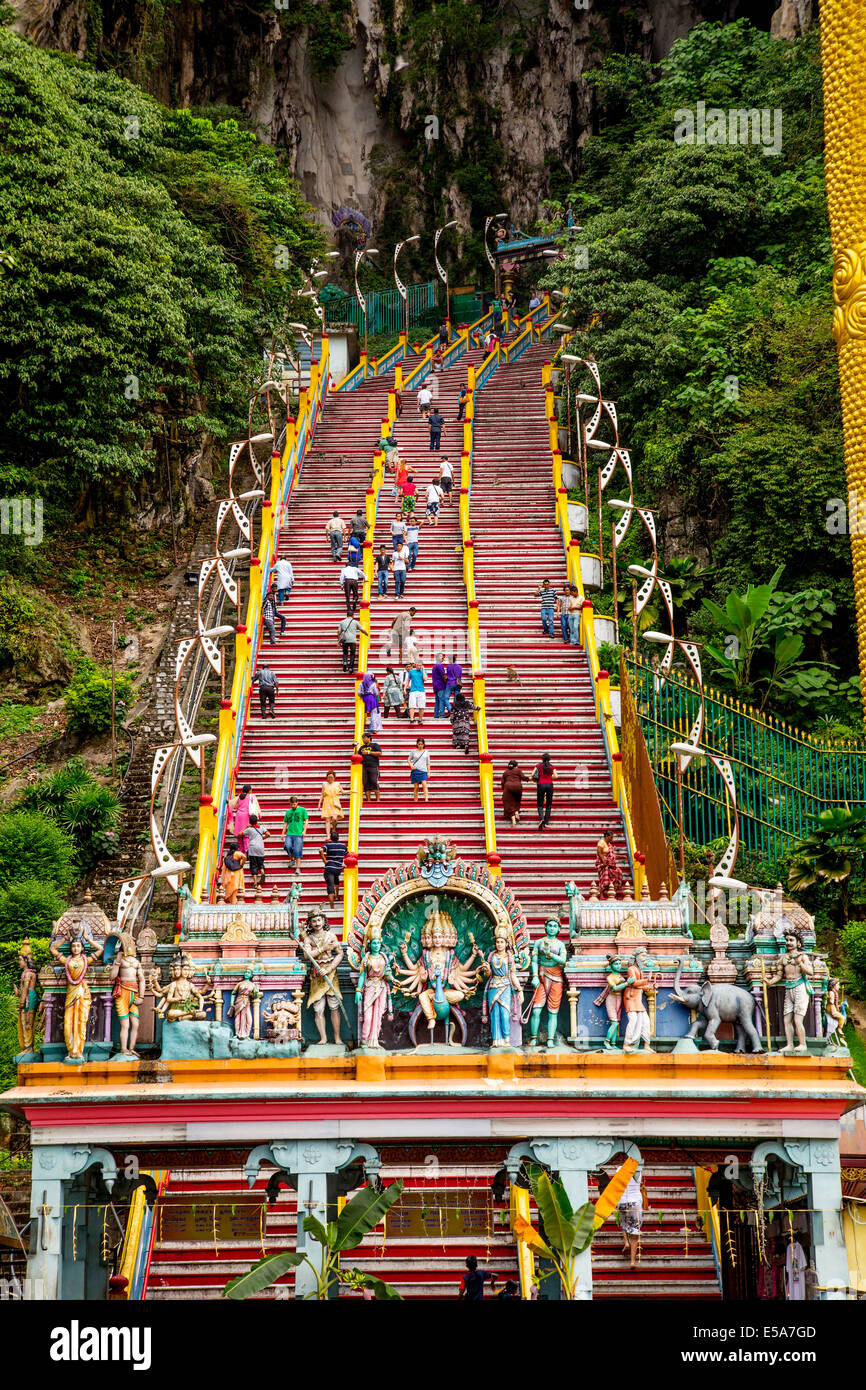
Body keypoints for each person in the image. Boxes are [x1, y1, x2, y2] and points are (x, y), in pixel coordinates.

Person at [622, 948, 655, 1054]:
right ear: (636, 957)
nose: (644, 958)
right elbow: (634, 983)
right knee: (633, 1021)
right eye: (642, 956)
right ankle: (626, 1044)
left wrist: (650, 986)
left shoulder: (640, 970)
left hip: (638, 998)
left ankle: (646, 1044)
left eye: (645, 956)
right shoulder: (631, 969)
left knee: (646, 1021)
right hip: (630, 998)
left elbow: (641, 986)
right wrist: (647, 980)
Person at [617, 1167, 644, 1269]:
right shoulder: (638, 1170)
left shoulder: (619, 1169)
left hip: (622, 1201)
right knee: (634, 1232)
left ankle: (626, 1242)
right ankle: (632, 1261)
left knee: (623, 1222)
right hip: (636, 1201)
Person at [320, 827, 347, 907]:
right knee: (336, 880)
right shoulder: (343, 846)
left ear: (331, 838)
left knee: (330, 886)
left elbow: (320, 850)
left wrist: (324, 860)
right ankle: (337, 896)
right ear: (338, 838)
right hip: (338, 868)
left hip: (330, 867)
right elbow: (347, 854)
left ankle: (332, 906)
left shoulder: (328, 845)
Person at [282, 795, 308, 874]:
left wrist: (304, 831)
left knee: (297, 850)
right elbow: (285, 823)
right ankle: (292, 859)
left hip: (298, 834)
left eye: (294, 804)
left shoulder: (302, 810)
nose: (293, 806)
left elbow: (306, 820)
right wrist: (283, 833)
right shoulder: (288, 811)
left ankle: (298, 868)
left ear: (297, 803)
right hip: (289, 833)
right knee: (287, 846)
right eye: (291, 804)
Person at [229, 783, 259, 850]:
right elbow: (256, 806)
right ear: (249, 790)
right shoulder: (252, 796)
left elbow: (235, 806)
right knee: (246, 835)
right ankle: (246, 851)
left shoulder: (239, 796)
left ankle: (242, 851)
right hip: (246, 816)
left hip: (239, 816)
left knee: (239, 835)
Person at [596, 829, 625, 897]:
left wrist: (622, 856)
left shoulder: (609, 845)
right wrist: (604, 861)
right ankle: (602, 894)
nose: (612, 839)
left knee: (618, 872)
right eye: (611, 837)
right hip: (603, 864)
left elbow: (612, 855)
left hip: (611, 865)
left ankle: (614, 891)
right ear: (606, 836)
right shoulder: (601, 842)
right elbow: (599, 852)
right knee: (604, 878)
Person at [500, 759, 529, 825]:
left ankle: (513, 820)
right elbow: (523, 777)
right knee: (517, 800)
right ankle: (516, 812)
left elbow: (502, 782)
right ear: (516, 766)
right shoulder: (518, 770)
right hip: (518, 787)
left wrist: (503, 789)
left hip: (508, 787)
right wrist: (529, 779)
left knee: (508, 802)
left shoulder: (505, 772)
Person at [533, 753, 557, 830]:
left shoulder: (538, 766)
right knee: (549, 804)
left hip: (540, 784)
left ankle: (541, 819)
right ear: (549, 759)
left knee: (540, 803)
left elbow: (533, 774)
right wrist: (549, 777)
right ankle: (546, 823)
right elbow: (556, 776)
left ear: (542, 759)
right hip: (550, 785)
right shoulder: (552, 766)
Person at [449, 687, 477, 754]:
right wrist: (479, 708)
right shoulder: (467, 703)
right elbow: (474, 707)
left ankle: (458, 745)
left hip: (457, 720)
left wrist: (451, 719)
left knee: (457, 732)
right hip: (465, 720)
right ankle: (466, 744)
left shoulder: (455, 704)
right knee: (465, 733)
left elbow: (452, 713)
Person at [245, 814, 268, 892]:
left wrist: (246, 827)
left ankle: (255, 883)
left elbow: (239, 834)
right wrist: (262, 838)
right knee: (260, 864)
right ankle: (262, 872)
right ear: (257, 821)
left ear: (250, 822)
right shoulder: (261, 828)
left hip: (252, 849)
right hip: (260, 848)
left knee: (253, 866)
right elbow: (268, 834)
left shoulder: (249, 829)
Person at [318, 769, 344, 835]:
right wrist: (319, 803)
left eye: (331, 777)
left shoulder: (337, 784)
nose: (330, 778)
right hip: (327, 803)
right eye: (328, 777)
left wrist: (351, 791)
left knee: (334, 818)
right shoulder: (324, 784)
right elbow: (322, 794)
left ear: (334, 778)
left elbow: (343, 791)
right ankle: (328, 835)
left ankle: (334, 829)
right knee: (327, 819)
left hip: (335, 803)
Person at [221, 838, 246, 904]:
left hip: (229, 875)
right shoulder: (237, 853)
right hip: (236, 874)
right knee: (236, 890)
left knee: (231, 891)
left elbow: (222, 864)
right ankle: (235, 904)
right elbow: (244, 857)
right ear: (237, 848)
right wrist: (242, 864)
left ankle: (232, 902)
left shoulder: (227, 855)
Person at [360, 730, 382, 802]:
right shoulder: (361, 747)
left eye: (365, 738)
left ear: (369, 738)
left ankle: (378, 800)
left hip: (373, 766)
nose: (364, 739)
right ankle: (368, 800)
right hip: (364, 767)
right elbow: (357, 756)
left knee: (374, 782)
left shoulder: (375, 745)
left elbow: (379, 753)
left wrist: (369, 752)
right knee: (366, 784)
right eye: (363, 738)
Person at [407, 736, 430, 802]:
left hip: (423, 770)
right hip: (415, 770)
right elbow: (408, 760)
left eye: (422, 744)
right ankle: (415, 800)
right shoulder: (413, 751)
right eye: (419, 744)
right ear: (417, 744)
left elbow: (428, 763)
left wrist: (429, 772)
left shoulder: (426, 752)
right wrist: (411, 765)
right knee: (416, 787)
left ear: (424, 744)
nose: (420, 745)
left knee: (424, 785)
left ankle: (426, 799)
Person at [431, 654, 449, 719]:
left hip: (435, 685)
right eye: (441, 656)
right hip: (440, 685)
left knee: (437, 701)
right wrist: (447, 682)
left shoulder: (435, 666)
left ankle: (436, 715)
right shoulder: (440, 665)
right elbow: (443, 675)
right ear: (437, 657)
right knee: (441, 700)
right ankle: (442, 715)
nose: (443, 658)